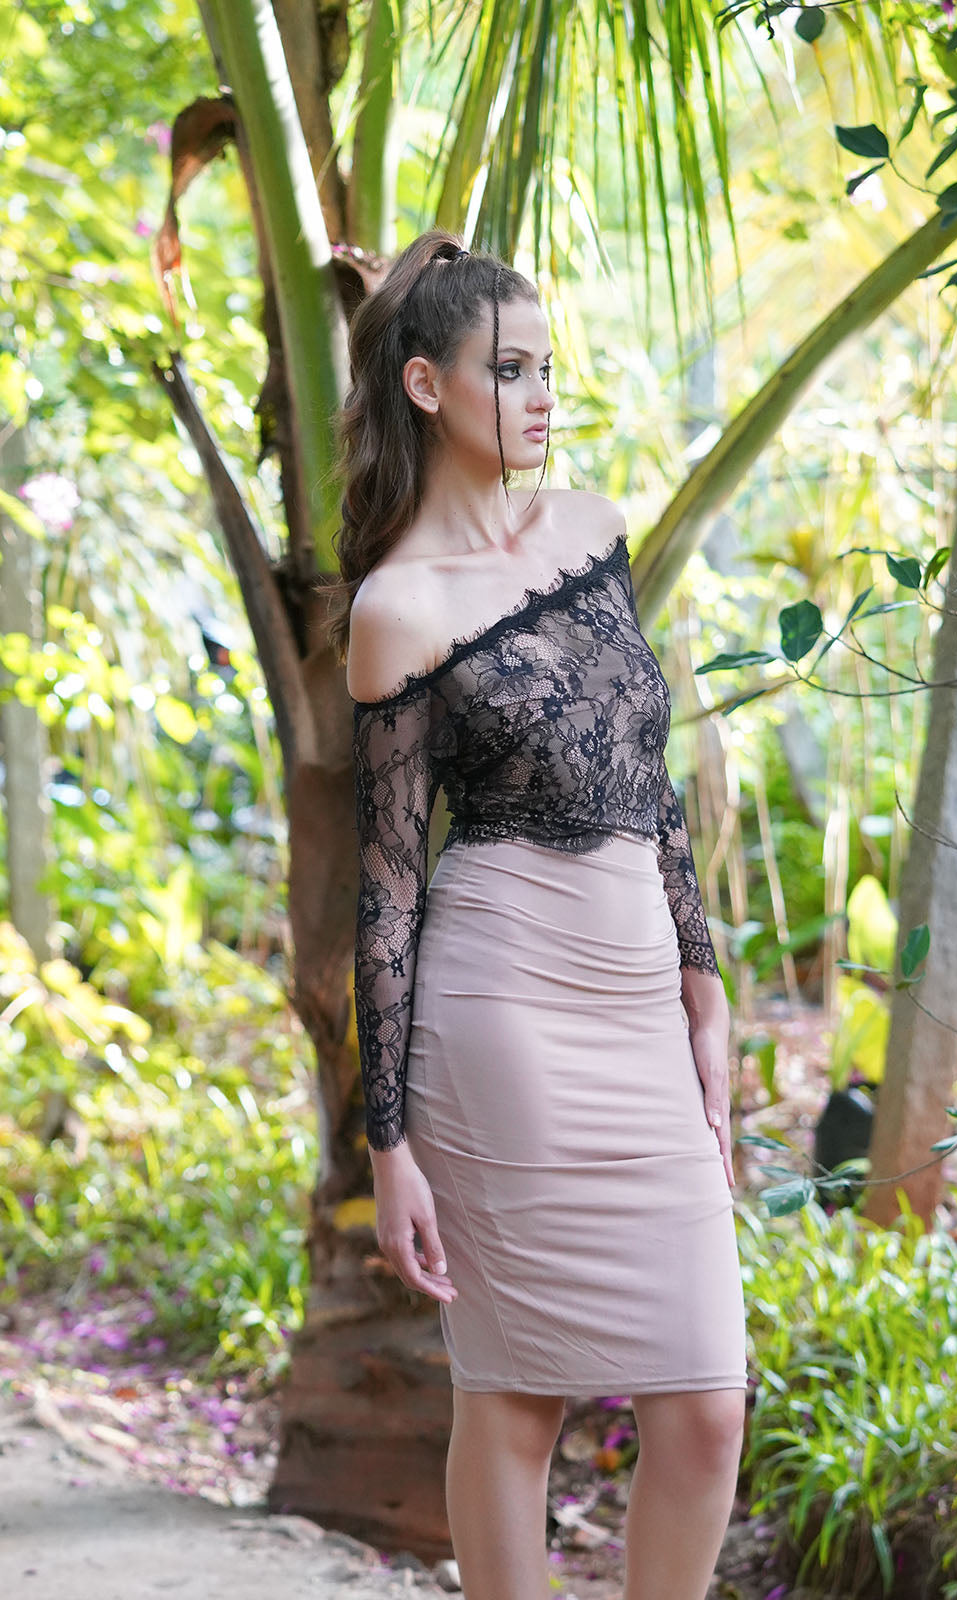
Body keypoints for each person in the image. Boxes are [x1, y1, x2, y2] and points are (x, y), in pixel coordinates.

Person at [324, 227, 748, 1600]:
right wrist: (389, 1142)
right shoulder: (398, 609)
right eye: (510, 370)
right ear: (428, 385)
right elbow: (388, 885)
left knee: (708, 1403)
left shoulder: (592, 529)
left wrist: (702, 981)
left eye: (549, 368)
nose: (543, 396)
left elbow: (646, 770)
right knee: (513, 1399)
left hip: (638, 995)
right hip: (499, 1011)